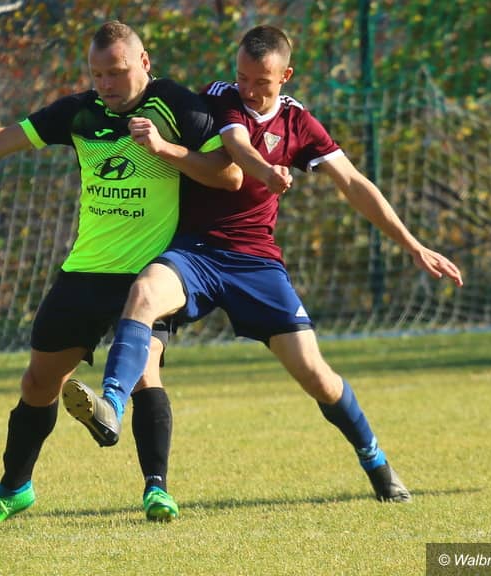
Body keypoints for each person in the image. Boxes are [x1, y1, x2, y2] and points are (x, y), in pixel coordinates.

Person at [0, 21, 281, 522]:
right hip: (87, 270)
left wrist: (164, 148)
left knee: (145, 372)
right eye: (97, 74)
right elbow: (1, 138)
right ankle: (14, 489)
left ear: (144, 63)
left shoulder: (178, 106)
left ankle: (156, 489)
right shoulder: (80, 112)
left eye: (117, 72)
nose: (106, 84)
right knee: (38, 383)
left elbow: (230, 174)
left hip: (151, 272)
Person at [62, 24, 463, 503]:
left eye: (261, 82)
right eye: (243, 77)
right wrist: (266, 171)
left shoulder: (300, 124)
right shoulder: (221, 97)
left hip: (255, 262)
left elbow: (354, 184)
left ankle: (374, 458)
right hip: (194, 252)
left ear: (285, 77)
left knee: (315, 374)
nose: (249, 90)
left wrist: (414, 245)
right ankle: (110, 403)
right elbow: (236, 146)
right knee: (145, 292)